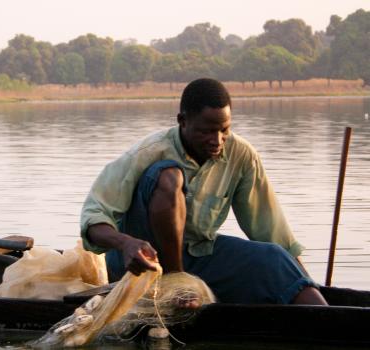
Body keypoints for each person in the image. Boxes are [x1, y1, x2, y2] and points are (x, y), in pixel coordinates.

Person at [80, 78, 327, 305]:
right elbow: (93, 219)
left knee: (273, 258)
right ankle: (177, 286)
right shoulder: (148, 152)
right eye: (206, 131)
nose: (217, 140)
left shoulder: (241, 155)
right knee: (169, 175)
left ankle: (332, 316)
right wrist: (125, 243)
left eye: (224, 130)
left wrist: (302, 280)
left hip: (198, 257)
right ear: (182, 121)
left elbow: (271, 231)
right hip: (140, 264)